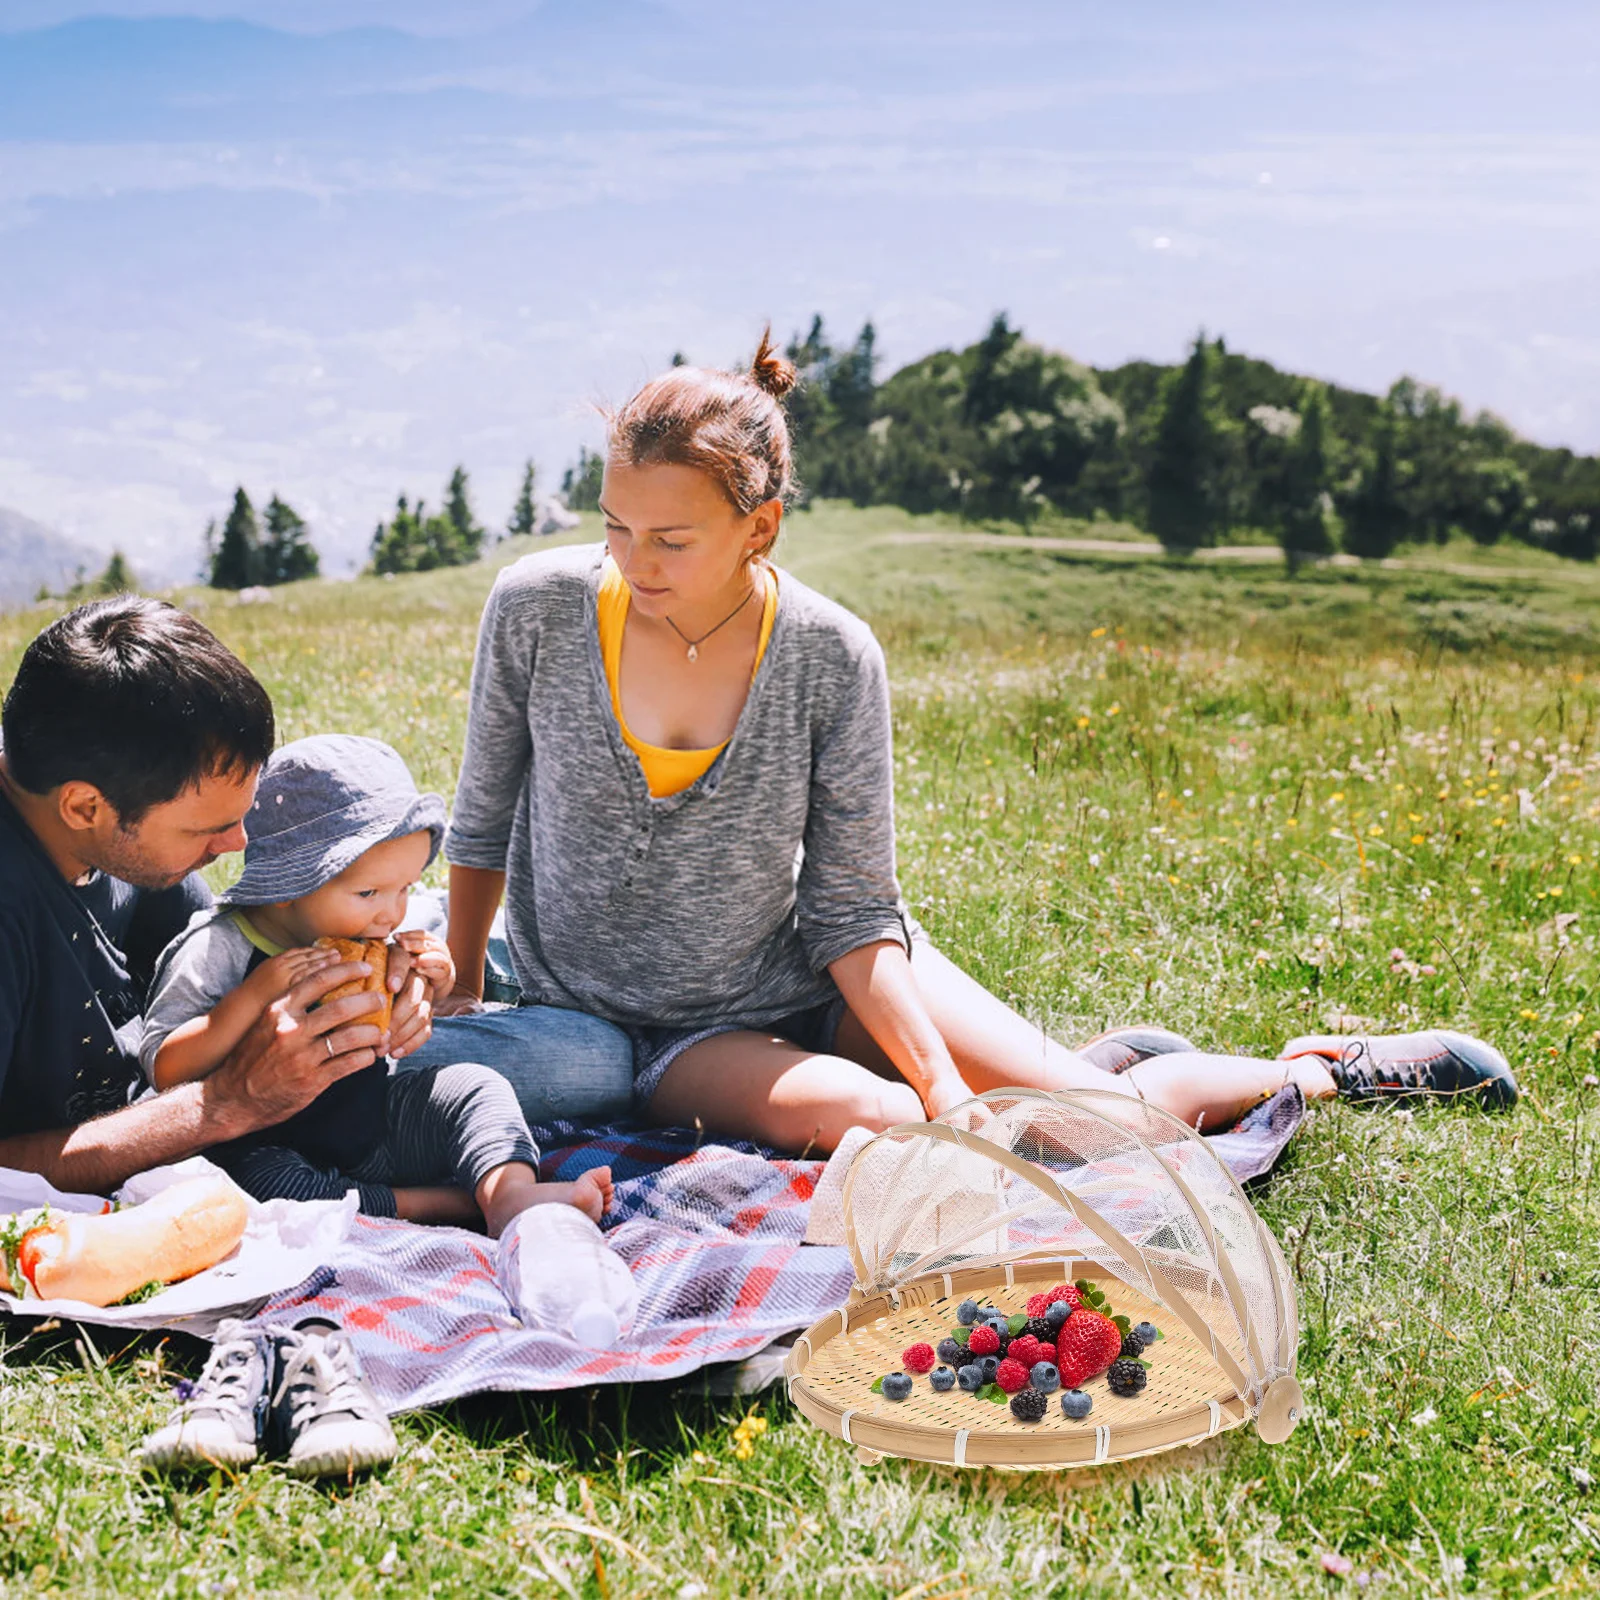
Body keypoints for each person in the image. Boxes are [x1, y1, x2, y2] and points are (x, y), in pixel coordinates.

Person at [433, 333, 1519, 1155]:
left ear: (758, 526)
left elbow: (855, 912)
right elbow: (480, 820)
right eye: (615, 525)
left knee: (1105, 1138)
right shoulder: (537, 607)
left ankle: (1318, 1070)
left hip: (825, 970)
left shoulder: (829, 655)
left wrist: (947, 1083)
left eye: (671, 538)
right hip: (665, 1035)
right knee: (920, 1132)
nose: (631, 559)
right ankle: (1093, 1072)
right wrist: (465, 994)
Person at [0, 595, 635, 1198]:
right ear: (84, 806)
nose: (238, 844)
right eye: (206, 829)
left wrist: (398, 981)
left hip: (313, 1077)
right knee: (600, 1061)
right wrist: (226, 1101)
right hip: (250, 1121)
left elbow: (242, 935)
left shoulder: (101, 831)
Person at [140, 734, 612, 1229]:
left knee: (475, 1086)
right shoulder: (219, 948)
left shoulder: (366, 932)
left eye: (405, 888)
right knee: (268, 1190)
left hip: (377, 1123)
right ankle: (449, 1205)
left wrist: (438, 977)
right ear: (286, 886)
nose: (392, 912)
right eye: (369, 892)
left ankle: (508, 1192)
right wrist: (250, 999)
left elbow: (421, 1003)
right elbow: (163, 1068)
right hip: (268, 1144)